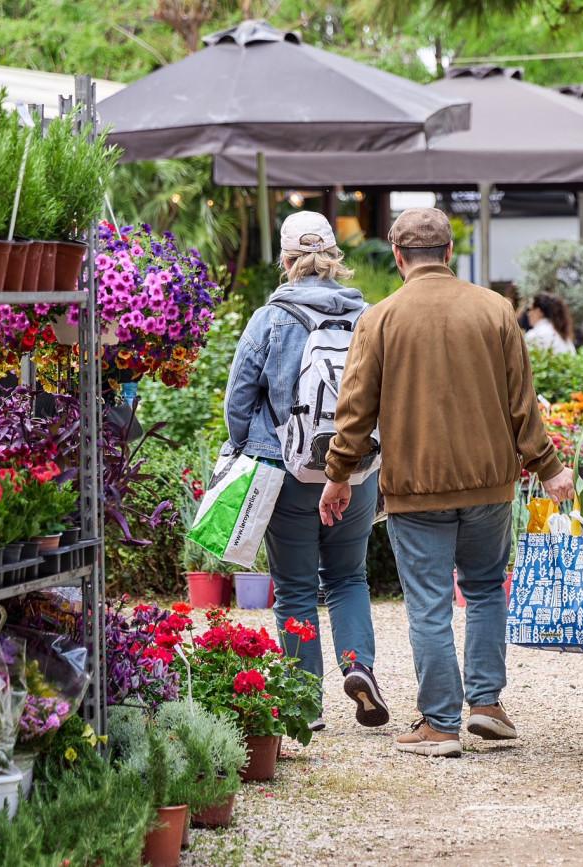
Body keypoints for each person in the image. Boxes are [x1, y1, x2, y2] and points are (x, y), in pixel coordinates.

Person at [319, 207, 577, 759]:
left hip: (417, 488)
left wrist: (338, 475)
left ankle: (439, 724)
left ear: (397, 255)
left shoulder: (380, 318)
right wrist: (549, 466)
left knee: (430, 604)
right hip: (489, 484)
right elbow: (522, 405)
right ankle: (486, 706)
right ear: (449, 253)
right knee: (485, 589)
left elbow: (355, 412)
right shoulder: (494, 310)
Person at [224, 211, 389, 732]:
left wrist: (245, 446)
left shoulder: (270, 319)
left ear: (286, 259)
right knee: (348, 576)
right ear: (334, 257)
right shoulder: (368, 316)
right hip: (354, 470)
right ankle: (358, 665)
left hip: (286, 471)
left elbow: (237, 399)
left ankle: (304, 703)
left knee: (295, 588)